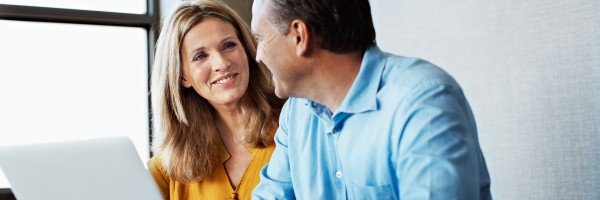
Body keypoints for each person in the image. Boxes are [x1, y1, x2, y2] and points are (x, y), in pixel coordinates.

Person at [250, 0, 492, 199]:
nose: (258, 56)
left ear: (300, 36)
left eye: (260, 38)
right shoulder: (296, 113)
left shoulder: (423, 102)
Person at [147, 1, 284, 199]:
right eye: (200, 56)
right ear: (182, 76)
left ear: (246, 49)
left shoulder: (293, 126)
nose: (222, 63)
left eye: (229, 45)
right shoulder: (167, 167)